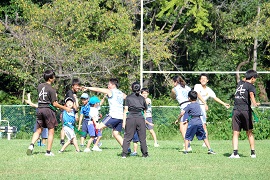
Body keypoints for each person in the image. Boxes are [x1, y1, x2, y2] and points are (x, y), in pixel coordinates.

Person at [26, 70, 71, 156]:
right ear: (50, 78)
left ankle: (31, 145)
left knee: (39, 130)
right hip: (47, 110)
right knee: (51, 131)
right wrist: (65, 108)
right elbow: (54, 103)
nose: (54, 78)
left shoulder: (39, 86)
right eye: (53, 77)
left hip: (39, 109)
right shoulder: (51, 89)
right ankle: (48, 152)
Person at [83, 78, 126, 147]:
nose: (108, 86)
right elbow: (128, 98)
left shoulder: (110, 91)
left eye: (109, 84)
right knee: (115, 133)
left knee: (98, 127)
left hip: (113, 115)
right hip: (120, 117)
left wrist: (88, 88)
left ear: (113, 85)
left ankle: (95, 143)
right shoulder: (121, 93)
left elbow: (98, 89)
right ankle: (126, 148)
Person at [229, 69, 260, 158]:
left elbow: (243, 79)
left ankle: (235, 153)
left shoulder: (240, 84)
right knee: (249, 132)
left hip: (236, 110)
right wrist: (254, 103)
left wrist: (246, 77)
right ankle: (253, 153)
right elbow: (251, 94)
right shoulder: (251, 86)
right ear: (253, 78)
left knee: (235, 132)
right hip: (245, 110)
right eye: (255, 78)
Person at [194, 73, 230, 146]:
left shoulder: (209, 90)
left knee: (203, 125)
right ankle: (188, 141)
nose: (203, 80)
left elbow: (215, 97)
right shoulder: (197, 86)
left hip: (202, 108)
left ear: (207, 80)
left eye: (205, 78)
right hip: (195, 106)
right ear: (199, 80)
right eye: (202, 78)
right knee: (192, 124)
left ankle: (205, 141)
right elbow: (197, 94)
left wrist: (224, 103)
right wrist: (205, 103)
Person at [178, 90, 216, 155]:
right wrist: (187, 120)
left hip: (192, 123)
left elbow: (182, 113)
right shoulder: (198, 105)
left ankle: (186, 150)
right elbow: (194, 115)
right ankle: (210, 149)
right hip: (199, 122)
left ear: (189, 98)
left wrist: (178, 119)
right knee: (204, 136)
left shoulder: (189, 106)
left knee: (187, 137)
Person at [122, 82, 149, 158]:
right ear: (139, 89)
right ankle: (145, 154)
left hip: (130, 118)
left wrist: (124, 122)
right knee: (142, 138)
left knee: (127, 137)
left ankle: (124, 154)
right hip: (140, 118)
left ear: (132, 88)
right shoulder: (142, 98)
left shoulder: (128, 98)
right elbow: (145, 110)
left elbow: (126, 110)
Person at [171, 76, 192, 151]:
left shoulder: (174, 89)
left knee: (181, 128)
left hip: (184, 107)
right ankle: (187, 143)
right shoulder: (188, 88)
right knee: (185, 126)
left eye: (173, 82)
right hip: (191, 106)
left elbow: (173, 97)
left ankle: (188, 145)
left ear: (175, 82)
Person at [60, 78, 81, 146]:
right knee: (65, 125)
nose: (78, 87)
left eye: (79, 85)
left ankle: (70, 140)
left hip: (69, 111)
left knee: (70, 125)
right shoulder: (70, 93)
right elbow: (73, 105)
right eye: (76, 85)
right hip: (66, 111)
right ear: (72, 86)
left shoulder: (73, 93)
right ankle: (62, 141)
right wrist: (76, 113)